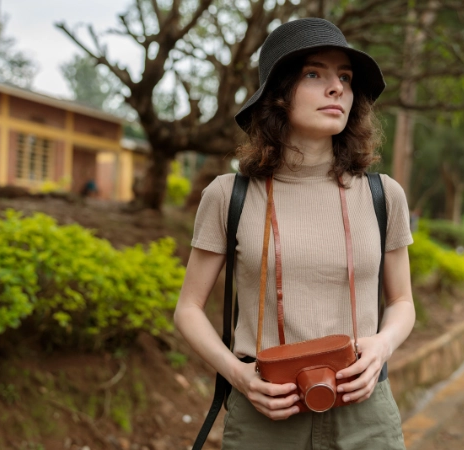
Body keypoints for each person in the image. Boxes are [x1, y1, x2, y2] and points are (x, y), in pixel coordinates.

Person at [174, 18, 415, 449]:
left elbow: (402, 302)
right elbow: (188, 308)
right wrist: (239, 376)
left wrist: (383, 345)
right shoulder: (229, 195)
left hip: (365, 414)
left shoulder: (384, 196)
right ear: (278, 95)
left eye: (344, 77)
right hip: (267, 410)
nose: (337, 87)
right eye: (314, 74)